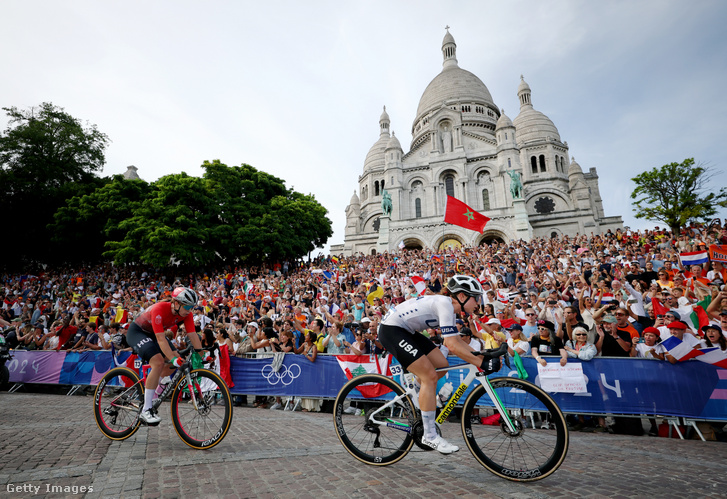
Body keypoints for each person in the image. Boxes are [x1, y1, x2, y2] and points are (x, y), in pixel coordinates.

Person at [377, 275, 500, 455]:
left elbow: (456, 340)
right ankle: (430, 435)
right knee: (430, 376)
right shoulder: (445, 304)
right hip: (391, 330)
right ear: (462, 296)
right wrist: (482, 362)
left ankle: (416, 397)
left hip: (406, 330)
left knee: (441, 365)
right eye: (476, 297)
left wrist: (483, 354)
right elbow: (451, 345)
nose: (479, 303)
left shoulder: (449, 307)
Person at [125, 287, 203, 426]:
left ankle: (153, 394)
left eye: (192, 307)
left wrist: (202, 356)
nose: (190, 310)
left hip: (154, 334)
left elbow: (192, 335)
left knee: (179, 362)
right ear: (176, 303)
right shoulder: (159, 308)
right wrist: (172, 358)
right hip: (138, 332)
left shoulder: (187, 314)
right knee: (158, 362)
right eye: (188, 306)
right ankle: (146, 410)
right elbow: (161, 339)